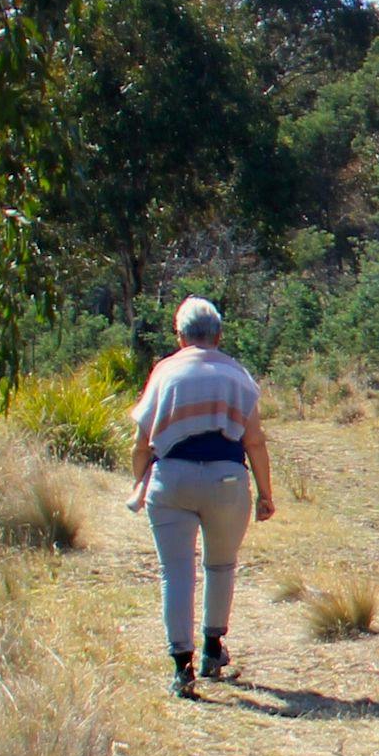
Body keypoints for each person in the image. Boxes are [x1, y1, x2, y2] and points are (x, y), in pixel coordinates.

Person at [125, 298, 276, 699]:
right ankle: (213, 648)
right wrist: (265, 493)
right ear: (219, 335)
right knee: (221, 565)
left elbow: (143, 442)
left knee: (175, 572)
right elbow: (255, 441)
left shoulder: (165, 372)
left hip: (172, 478)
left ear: (180, 335)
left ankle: (181, 666)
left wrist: (139, 480)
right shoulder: (238, 376)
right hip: (227, 479)